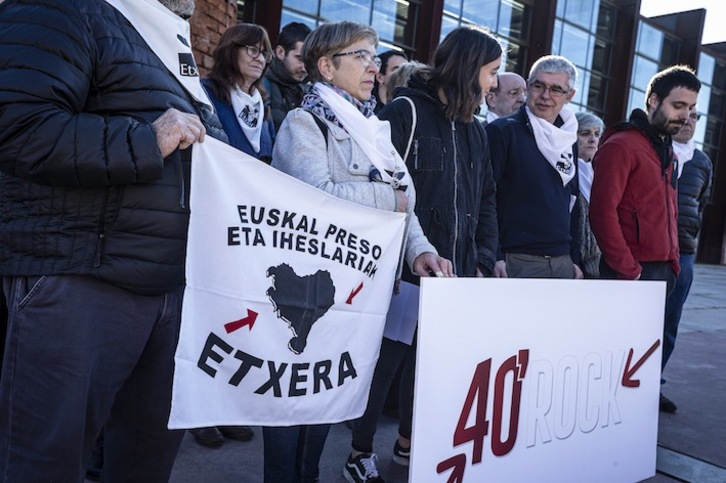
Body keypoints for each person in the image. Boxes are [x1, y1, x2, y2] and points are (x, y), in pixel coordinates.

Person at [0, 0, 221, 481]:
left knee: (145, 464)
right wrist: (146, 139)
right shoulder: (62, 9)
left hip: (170, 290)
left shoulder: (165, 36)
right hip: (79, 279)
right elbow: (18, 127)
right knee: (44, 463)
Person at [269, 21, 453, 483]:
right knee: (294, 404)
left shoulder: (374, 128)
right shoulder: (303, 122)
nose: (374, 67)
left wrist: (419, 251)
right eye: (361, 56)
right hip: (309, 293)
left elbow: (404, 204)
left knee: (328, 400)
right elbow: (316, 195)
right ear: (327, 67)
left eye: (374, 57)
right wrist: (386, 201)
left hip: (360, 289)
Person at [345, 25, 501, 483]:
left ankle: (409, 444)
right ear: (470, 68)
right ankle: (358, 452)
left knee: (428, 366)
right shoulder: (405, 110)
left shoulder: (475, 128)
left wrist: (482, 257)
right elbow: (377, 186)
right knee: (383, 368)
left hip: (454, 274)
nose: (493, 83)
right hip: (404, 270)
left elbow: (486, 197)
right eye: (491, 72)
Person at [189, 23, 275, 448]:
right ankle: (196, 412)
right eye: (251, 49)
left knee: (234, 326)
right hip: (211, 222)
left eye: (264, 53)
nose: (259, 58)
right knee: (202, 320)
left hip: (249, 230)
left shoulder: (264, 104)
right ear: (230, 50)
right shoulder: (206, 92)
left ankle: (223, 407)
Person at [590, 65, 700, 289]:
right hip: (630, 273)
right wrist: (630, 271)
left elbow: (671, 209)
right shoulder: (622, 145)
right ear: (653, 100)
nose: (686, 116)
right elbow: (602, 213)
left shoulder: (667, 150)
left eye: (690, 108)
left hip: (663, 271)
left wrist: (673, 263)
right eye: (678, 105)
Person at [486, 55, 583, 279]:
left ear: (569, 96)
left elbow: (573, 201)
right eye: (538, 86)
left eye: (556, 89)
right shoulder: (503, 132)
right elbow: (485, 198)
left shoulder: (569, 138)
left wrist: (574, 258)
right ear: (528, 87)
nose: (545, 96)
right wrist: (495, 254)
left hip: (562, 262)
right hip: (515, 261)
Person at [660, 109, 712, 412]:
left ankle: (654, 382)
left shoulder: (703, 161)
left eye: (696, 116)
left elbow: (701, 203)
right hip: (651, 251)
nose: (689, 120)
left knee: (669, 323)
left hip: (684, 253)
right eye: (685, 114)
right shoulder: (657, 148)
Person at [264, 21, 312, 131]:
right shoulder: (261, 84)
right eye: (299, 59)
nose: (304, 68)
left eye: (308, 61)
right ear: (280, 52)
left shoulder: (308, 90)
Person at [575, 111, 605, 278]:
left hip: (598, 263)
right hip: (574, 263)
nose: (593, 139)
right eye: (585, 133)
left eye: (597, 134)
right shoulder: (565, 172)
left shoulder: (600, 173)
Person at [372, 50, 409, 114]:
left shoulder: (408, 110)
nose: (403, 74)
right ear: (380, 77)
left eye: (406, 70)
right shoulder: (367, 108)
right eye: (397, 70)